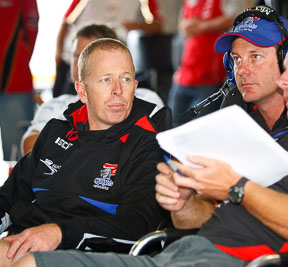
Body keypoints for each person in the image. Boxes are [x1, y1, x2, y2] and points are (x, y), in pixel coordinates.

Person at [14, 5, 288, 267]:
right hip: (180, 250)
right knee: (24, 259)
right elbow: (201, 220)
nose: (284, 77)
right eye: (236, 58)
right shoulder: (279, 138)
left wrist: (236, 185)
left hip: (224, 259)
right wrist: (182, 200)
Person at [0, 38, 170, 266]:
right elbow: (8, 197)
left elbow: (137, 225)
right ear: (82, 90)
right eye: (105, 79)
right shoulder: (55, 133)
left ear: (135, 87)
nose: (117, 90)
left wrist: (60, 232)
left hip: (93, 253)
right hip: (25, 240)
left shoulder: (148, 143)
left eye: (126, 79)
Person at [21, 24, 118, 155]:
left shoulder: (143, 100)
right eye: (77, 56)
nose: (81, 63)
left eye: (90, 55)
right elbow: (31, 149)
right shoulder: (54, 106)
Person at [53, 0, 162, 97]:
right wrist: (58, 54)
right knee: (65, 106)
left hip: (108, 61)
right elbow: (66, 22)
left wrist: (131, 25)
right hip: (73, 57)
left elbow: (157, 25)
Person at [216, 5, 288, 132]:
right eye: (237, 59)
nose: (241, 70)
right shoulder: (235, 102)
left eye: (255, 57)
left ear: (285, 59)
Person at [168, 0, 247, 126]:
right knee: (170, 127)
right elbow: (181, 25)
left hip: (210, 78)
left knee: (200, 131)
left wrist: (203, 26)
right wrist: (186, 26)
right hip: (183, 75)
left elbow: (238, 19)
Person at [0, 0, 39, 161]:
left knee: (19, 157)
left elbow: (30, 33)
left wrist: (17, 63)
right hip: (14, 85)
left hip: (14, 85)